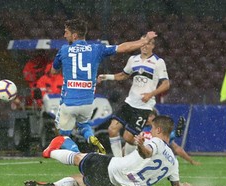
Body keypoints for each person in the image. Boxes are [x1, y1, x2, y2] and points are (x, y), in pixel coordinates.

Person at [51, 19, 157, 154]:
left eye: (66, 32)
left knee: (62, 135)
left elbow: (53, 71)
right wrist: (144, 41)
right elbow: (123, 47)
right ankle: (91, 138)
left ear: (75, 36)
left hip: (69, 101)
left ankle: (78, 156)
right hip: (88, 103)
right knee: (83, 124)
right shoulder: (97, 48)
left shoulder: (64, 50)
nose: (64, 35)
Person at [25, 115, 192, 186]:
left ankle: (50, 151)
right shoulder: (174, 163)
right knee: (79, 180)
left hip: (112, 168)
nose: (151, 131)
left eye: (153, 128)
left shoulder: (155, 142)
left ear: (159, 129)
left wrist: (141, 145)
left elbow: (147, 154)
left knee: (78, 158)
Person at [98, 34, 170, 157]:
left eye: (148, 43)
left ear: (153, 46)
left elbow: (166, 84)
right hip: (130, 102)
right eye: (143, 43)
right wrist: (105, 76)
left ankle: (148, 148)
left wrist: (151, 94)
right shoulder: (133, 59)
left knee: (128, 137)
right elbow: (123, 75)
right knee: (112, 129)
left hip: (144, 106)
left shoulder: (158, 62)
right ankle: (118, 161)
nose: (145, 46)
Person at [125, 110, 201, 165]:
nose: (148, 118)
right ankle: (175, 134)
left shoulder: (158, 132)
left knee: (160, 141)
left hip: (150, 157)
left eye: (151, 116)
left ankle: (175, 134)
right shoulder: (138, 128)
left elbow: (177, 148)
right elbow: (128, 143)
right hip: (138, 155)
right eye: (148, 116)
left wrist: (191, 161)